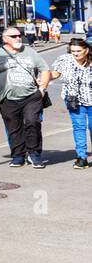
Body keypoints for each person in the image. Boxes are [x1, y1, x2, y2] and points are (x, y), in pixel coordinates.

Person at [0, 26, 52, 168]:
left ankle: (34, 154)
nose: (18, 38)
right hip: (8, 98)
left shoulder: (30, 52)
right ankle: (18, 156)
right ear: (5, 39)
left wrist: (42, 89)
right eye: (13, 36)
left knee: (33, 122)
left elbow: (44, 69)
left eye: (19, 35)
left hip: (31, 96)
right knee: (14, 128)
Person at [51, 38, 92, 169]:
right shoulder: (65, 59)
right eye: (73, 51)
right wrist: (44, 78)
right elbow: (56, 73)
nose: (75, 53)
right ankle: (81, 157)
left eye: (78, 51)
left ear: (86, 50)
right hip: (74, 100)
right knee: (79, 127)